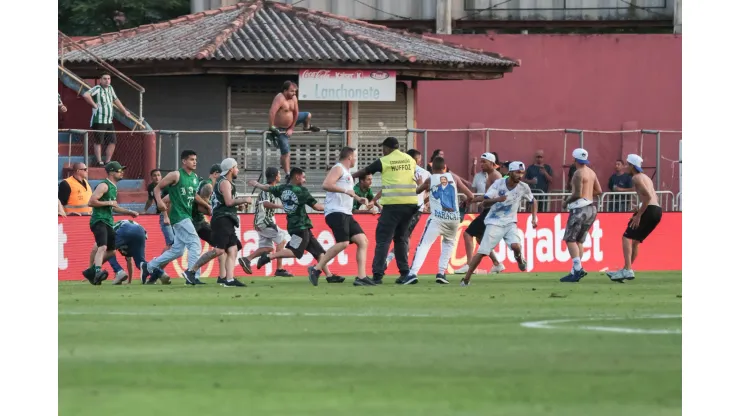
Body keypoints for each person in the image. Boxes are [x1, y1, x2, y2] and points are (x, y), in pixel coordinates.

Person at [249, 168, 343, 283]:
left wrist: (256, 184)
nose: (305, 180)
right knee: (295, 251)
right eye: (303, 177)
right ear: (297, 177)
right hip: (301, 227)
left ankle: (329, 276)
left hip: (297, 227)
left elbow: (268, 188)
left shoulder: (282, 188)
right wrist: (335, 207)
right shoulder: (301, 191)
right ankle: (268, 257)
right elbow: (317, 207)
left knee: (319, 252)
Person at [352, 137, 419, 284]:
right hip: (410, 205)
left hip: (393, 205)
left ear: (388, 148)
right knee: (401, 238)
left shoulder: (385, 160)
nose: (383, 150)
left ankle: (377, 275)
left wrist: (349, 176)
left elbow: (365, 170)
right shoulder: (410, 159)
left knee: (383, 239)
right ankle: (405, 273)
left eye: (383, 148)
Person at [461, 162, 537, 286]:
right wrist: (497, 199)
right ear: (510, 172)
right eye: (518, 172)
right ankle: (466, 279)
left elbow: (533, 201)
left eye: (522, 173)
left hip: (510, 222)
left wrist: (534, 218)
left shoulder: (523, 187)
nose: (520, 175)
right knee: (482, 252)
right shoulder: (498, 184)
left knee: (516, 246)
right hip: (494, 222)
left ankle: (519, 258)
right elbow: (485, 203)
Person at [401, 157, 475, 285]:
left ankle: (413, 273)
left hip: (438, 219)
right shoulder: (454, 178)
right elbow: (471, 196)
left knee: (424, 245)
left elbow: (418, 191)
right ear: (444, 167)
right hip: (453, 218)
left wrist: (419, 182)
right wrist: (464, 203)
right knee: (448, 244)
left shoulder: (431, 179)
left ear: (432, 168)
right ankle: (441, 273)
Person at [308, 147, 375, 286]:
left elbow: (348, 192)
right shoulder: (338, 168)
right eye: (355, 156)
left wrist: (358, 198)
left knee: (363, 241)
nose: (356, 159)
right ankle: (316, 269)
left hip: (346, 212)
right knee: (343, 243)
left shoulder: (347, 173)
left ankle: (361, 277)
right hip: (335, 211)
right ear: (349, 157)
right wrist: (346, 191)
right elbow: (326, 184)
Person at [182, 158, 251, 287]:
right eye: (236, 167)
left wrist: (238, 206)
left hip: (226, 219)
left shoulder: (224, 182)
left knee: (233, 248)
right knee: (219, 250)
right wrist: (244, 200)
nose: (238, 170)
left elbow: (225, 203)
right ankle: (191, 271)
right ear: (231, 169)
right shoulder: (225, 182)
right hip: (222, 220)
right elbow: (229, 202)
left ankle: (229, 279)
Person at [140, 150, 203, 285]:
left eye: (195, 159)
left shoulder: (195, 177)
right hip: (179, 216)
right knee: (195, 244)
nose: (195, 162)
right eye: (191, 159)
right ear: (184, 161)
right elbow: (157, 188)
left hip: (186, 215)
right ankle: (193, 274)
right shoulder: (175, 175)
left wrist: (206, 206)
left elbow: (186, 195)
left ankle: (149, 266)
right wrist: (160, 202)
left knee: (177, 250)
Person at [606, 154, 663, 282]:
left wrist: (638, 215)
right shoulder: (646, 177)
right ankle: (626, 268)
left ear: (632, 165)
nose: (626, 166)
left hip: (649, 210)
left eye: (628, 164)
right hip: (657, 210)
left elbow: (648, 197)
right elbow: (654, 198)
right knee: (636, 241)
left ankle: (627, 269)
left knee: (626, 237)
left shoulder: (636, 178)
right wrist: (639, 208)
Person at [81, 162, 139, 285]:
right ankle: (97, 271)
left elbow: (114, 207)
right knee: (102, 247)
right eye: (119, 170)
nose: (122, 172)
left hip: (108, 221)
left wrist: (129, 212)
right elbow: (91, 202)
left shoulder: (113, 187)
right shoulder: (104, 185)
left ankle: (92, 272)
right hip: (99, 220)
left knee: (112, 251)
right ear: (112, 172)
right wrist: (108, 203)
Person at [454, 153, 505, 275]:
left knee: (467, 234)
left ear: (492, 163)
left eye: (484, 162)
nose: (481, 164)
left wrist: (474, 200)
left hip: (491, 211)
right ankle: (497, 264)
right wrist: (476, 200)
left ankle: (469, 265)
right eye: (481, 162)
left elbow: (496, 196)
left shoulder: (496, 177)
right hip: (489, 210)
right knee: (480, 238)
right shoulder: (491, 175)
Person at [238, 167, 293, 277]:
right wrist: (281, 206)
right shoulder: (266, 189)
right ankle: (279, 269)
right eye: (279, 174)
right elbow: (266, 203)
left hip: (262, 222)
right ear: (275, 176)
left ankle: (247, 259)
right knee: (282, 238)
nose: (280, 176)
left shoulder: (271, 189)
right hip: (264, 221)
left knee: (268, 248)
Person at [560, 149, 603, 283]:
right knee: (579, 240)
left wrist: (566, 202)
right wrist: (588, 195)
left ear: (574, 159)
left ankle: (578, 268)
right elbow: (599, 191)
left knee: (570, 239)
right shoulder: (591, 172)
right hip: (591, 208)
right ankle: (575, 270)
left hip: (579, 208)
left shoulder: (578, 173)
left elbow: (577, 194)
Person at [384, 148, 430, 267]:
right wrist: (424, 202)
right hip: (415, 209)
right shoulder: (425, 173)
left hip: (402, 206)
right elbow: (432, 191)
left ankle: (394, 261)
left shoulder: (400, 170)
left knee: (403, 236)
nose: (420, 161)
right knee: (404, 237)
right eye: (419, 159)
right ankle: (402, 264)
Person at [268, 81, 321, 178]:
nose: (294, 93)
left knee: (307, 115)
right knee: (286, 152)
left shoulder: (294, 98)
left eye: (295, 92)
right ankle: (288, 173)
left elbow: (296, 113)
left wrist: (292, 128)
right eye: (292, 91)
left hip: (291, 123)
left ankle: (306, 127)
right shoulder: (279, 98)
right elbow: (272, 112)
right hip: (281, 129)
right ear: (285, 90)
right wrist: (272, 127)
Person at [189, 164, 230, 284]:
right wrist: (211, 209)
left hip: (194, 220)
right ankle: (220, 276)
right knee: (220, 245)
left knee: (220, 246)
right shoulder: (208, 186)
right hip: (196, 221)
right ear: (216, 174)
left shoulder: (206, 185)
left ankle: (222, 276)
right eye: (222, 176)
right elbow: (199, 206)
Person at [82, 73, 132, 166]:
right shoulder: (97, 88)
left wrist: (124, 111)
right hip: (99, 120)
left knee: (112, 141)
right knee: (98, 141)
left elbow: (116, 100)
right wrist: (93, 104)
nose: (107, 80)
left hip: (109, 120)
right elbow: (86, 95)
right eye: (105, 79)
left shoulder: (110, 88)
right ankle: (99, 161)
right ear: (100, 80)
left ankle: (108, 161)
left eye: (109, 79)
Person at [103, 219, 149, 285]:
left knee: (109, 251)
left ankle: (119, 271)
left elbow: (106, 251)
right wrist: (129, 281)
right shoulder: (125, 242)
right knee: (141, 263)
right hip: (141, 232)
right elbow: (129, 261)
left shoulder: (112, 231)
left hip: (126, 228)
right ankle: (160, 273)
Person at [145, 169, 174, 252]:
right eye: (154, 175)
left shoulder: (167, 186)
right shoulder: (151, 187)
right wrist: (145, 210)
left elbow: (170, 202)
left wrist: (167, 216)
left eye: (158, 175)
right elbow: (150, 200)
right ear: (151, 177)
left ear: (161, 176)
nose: (157, 177)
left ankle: (157, 263)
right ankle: (157, 263)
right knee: (171, 245)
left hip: (169, 215)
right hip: (163, 216)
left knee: (173, 245)